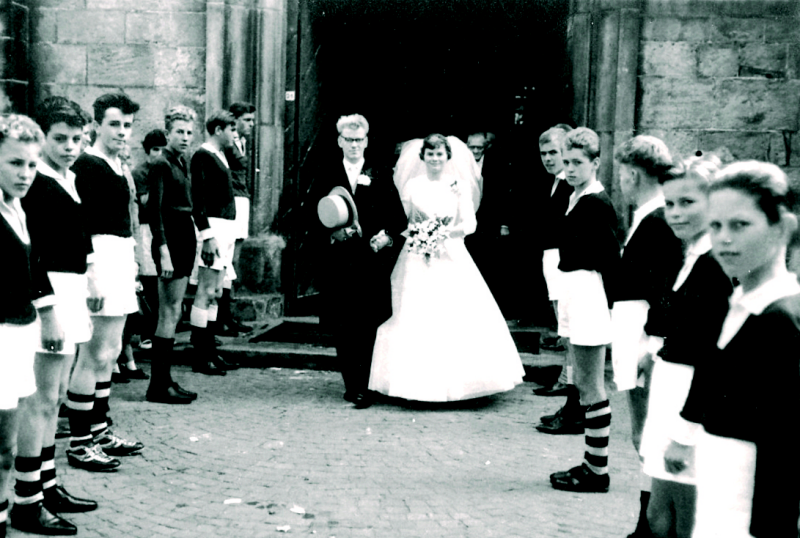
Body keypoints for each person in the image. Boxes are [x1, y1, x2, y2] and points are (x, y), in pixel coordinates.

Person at [667, 161, 800, 538]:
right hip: (721, 482)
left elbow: (785, 444)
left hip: (750, 503)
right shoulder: (741, 300)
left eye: (740, 225)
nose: (724, 238)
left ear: (783, 228)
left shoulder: (781, 318)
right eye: (716, 225)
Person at [368, 134, 525, 402]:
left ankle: (458, 387)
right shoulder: (413, 185)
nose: (435, 159)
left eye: (440, 154)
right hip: (417, 255)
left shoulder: (458, 185)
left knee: (451, 314)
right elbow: (403, 220)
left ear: (447, 157)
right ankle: (410, 385)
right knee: (413, 314)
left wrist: (444, 233)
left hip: (450, 254)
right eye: (430, 154)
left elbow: (470, 224)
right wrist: (419, 234)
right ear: (423, 157)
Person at [11, 101, 100, 535]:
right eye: (59, 138)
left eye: (76, 139)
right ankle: (28, 499)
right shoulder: (37, 183)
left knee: (56, 394)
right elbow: (35, 255)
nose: (68, 147)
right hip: (51, 293)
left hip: (72, 287)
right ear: (44, 136)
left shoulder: (70, 178)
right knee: (41, 400)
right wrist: (47, 308)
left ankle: (46, 483)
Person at [637, 156, 732, 538]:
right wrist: (656, 351)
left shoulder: (716, 264)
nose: (674, 214)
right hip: (672, 391)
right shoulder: (690, 255)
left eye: (687, 203)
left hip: (692, 406)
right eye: (670, 204)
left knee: (684, 519)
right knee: (660, 512)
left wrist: (686, 434)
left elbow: (714, 356)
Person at [0, 114, 72, 536]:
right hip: (2, 334)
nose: (25, 174)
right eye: (14, 163)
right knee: (1, 447)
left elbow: (29, 269)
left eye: (30, 164)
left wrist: (46, 313)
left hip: (20, 332)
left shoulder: (17, 207)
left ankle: (13, 512)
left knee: (7, 447)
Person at [609, 135, 684, 536]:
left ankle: (651, 525)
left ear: (633, 174)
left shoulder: (658, 221)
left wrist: (648, 348)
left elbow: (663, 293)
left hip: (644, 339)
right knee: (644, 437)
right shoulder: (648, 216)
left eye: (622, 172)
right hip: (635, 335)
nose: (620, 179)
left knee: (648, 436)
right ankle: (647, 522)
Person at [67, 92, 145, 473]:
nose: (122, 132)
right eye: (114, 124)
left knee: (111, 352)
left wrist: (129, 264)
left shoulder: (115, 164)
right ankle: (81, 442)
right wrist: (93, 275)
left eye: (127, 125)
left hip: (118, 259)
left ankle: (99, 429)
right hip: (98, 261)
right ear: (96, 124)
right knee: (94, 354)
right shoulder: (88, 164)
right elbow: (81, 225)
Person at [310, 114, 407, 409]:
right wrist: (332, 234)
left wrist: (387, 237)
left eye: (359, 140)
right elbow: (311, 216)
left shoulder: (378, 173)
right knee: (343, 324)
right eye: (349, 140)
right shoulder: (325, 172)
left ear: (366, 141)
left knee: (368, 323)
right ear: (340, 141)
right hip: (338, 262)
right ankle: (352, 384)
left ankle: (365, 384)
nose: (354, 145)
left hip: (369, 262)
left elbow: (398, 218)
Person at [548, 127, 621, 493]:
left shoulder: (597, 202)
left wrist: (607, 310)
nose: (571, 169)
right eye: (566, 162)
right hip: (575, 293)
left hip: (590, 294)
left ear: (595, 162)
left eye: (578, 163)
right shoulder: (574, 196)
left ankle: (597, 470)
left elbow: (610, 260)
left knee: (591, 385)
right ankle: (592, 465)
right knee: (583, 383)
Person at [145, 106, 201, 404]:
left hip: (185, 238)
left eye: (189, 132)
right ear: (168, 132)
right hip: (171, 241)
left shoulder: (181, 161)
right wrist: (164, 252)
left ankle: (165, 380)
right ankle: (158, 385)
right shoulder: (161, 163)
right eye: (179, 131)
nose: (185, 137)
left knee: (175, 310)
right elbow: (155, 211)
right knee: (167, 312)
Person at [188, 111, 240, 375]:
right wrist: (206, 235)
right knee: (205, 291)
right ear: (218, 129)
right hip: (213, 228)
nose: (235, 135)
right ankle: (200, 355)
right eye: (232, 129)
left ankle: (211, 351)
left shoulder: (221, 155)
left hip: (226, 227)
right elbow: (197, 198)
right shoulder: (202, 155)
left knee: (217, 293)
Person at [217, 102, 256, 337]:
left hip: (243, 199)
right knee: (227, 259)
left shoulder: (242, 143)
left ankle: (228, 315)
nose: (251, 125)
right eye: (247, 120)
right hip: (233, 200)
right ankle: (222, 317)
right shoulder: (229, 145)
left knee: (235, 260)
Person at [130, 128, 168, 354]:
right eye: (155, 150)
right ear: (147, 151)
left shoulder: (166, 168)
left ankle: (157, 331)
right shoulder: (142, 172)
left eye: (163, 149)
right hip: (146, 229)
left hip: (163, 228)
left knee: (161, 282)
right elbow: (145, 203)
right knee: (149, 282)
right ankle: (147, 333)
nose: (159, 154)